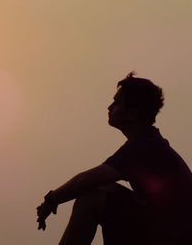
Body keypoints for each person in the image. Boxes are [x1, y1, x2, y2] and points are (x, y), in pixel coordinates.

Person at [36, 72, 192, 245]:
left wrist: (51, 199)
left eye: (117, 102)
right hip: (165, 230)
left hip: (171, 236)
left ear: (132, 113)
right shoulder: (149, 142)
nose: (110, 107)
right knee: (104, 189)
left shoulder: (144, 145)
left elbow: (87, 180)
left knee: (92, 197)